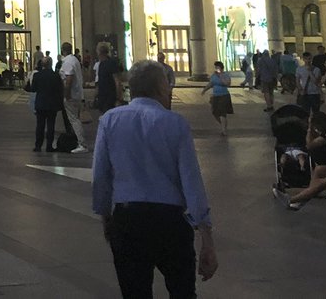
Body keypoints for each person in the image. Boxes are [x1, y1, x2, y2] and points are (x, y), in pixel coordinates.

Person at [92, 60, 217, 298]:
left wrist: (106, 217)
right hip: (170, 221)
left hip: (127, 219)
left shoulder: (110, 120)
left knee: (134, 292)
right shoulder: (176, 123)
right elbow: (191, 180)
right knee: (182, 292)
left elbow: (101, 176)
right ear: (161, 89)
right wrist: (206, 235)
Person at [25, 55, 62, 152]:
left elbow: (33, 89)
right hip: (52, 104)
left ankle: (38, 146)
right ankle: (49, 146)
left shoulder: (38, 75)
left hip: (40, 103)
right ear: (51, 64)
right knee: (51, 126)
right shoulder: (56, 76)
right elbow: (59, 90)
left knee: (40, 125)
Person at [59, 42, 88, 153]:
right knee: (75, 119)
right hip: (77, 93)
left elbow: (69, 79)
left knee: (74, 120)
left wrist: (66, 95)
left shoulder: (68, 62)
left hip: (71, 95)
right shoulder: (75, 60)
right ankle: (78, 141)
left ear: (63, 50)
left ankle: (82, 143)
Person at [200, 61, 233, 136]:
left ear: (221, 68)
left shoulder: (225, 75)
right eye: (215, 67)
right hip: (215, 95)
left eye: (217, 67)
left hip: (224, 95)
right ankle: (223, 124)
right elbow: (211, 83)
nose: (216, 69)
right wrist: (204, 90)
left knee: (222, 112)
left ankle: (223, 130)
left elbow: (227, 83)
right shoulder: (213, 76)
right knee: (214, 112)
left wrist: (220, 76)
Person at [94, 43, 122, 114]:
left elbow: (117, 82)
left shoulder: (110, 63)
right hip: (104, 97)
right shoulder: (102, 64)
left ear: (99, 52)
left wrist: (118, 98)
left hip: (110, 97)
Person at [295, 52, 322, 116]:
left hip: (315, 93)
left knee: (316, 113)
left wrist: (310, 71)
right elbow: (297, 80)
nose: (308, 61)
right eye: (306, 59)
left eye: (309, 59)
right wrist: (300, 89)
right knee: (305, 113)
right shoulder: (299, 69)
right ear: (303, 59)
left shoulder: (316, 69)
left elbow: (316, 82)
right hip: (305, 93)